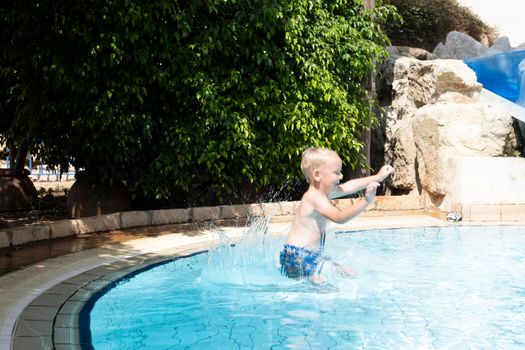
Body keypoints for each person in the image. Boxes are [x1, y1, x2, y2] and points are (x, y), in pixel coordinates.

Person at [279, 147, 394, 283]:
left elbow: (350, 186)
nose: (340, 177)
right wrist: (366, 201)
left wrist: (378, 177)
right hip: (299, 257)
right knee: (324, 287)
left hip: (302, 256)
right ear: (317, 175)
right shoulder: (315, 198)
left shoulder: (322, 193)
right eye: (336, 173)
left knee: (347, 272)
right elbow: (339, 217)